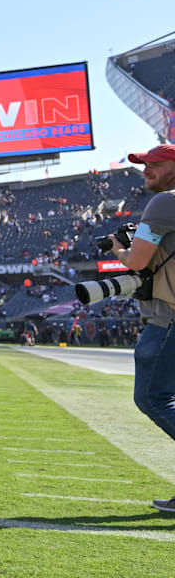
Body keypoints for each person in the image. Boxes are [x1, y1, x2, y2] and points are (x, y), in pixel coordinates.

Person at [108, 145, 175, 513]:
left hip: (169, 318)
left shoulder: (164, 202)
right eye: (144, 165)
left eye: (156, 164)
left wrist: (120, 248)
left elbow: (136, 262)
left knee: (152, 398)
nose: (147, 169)